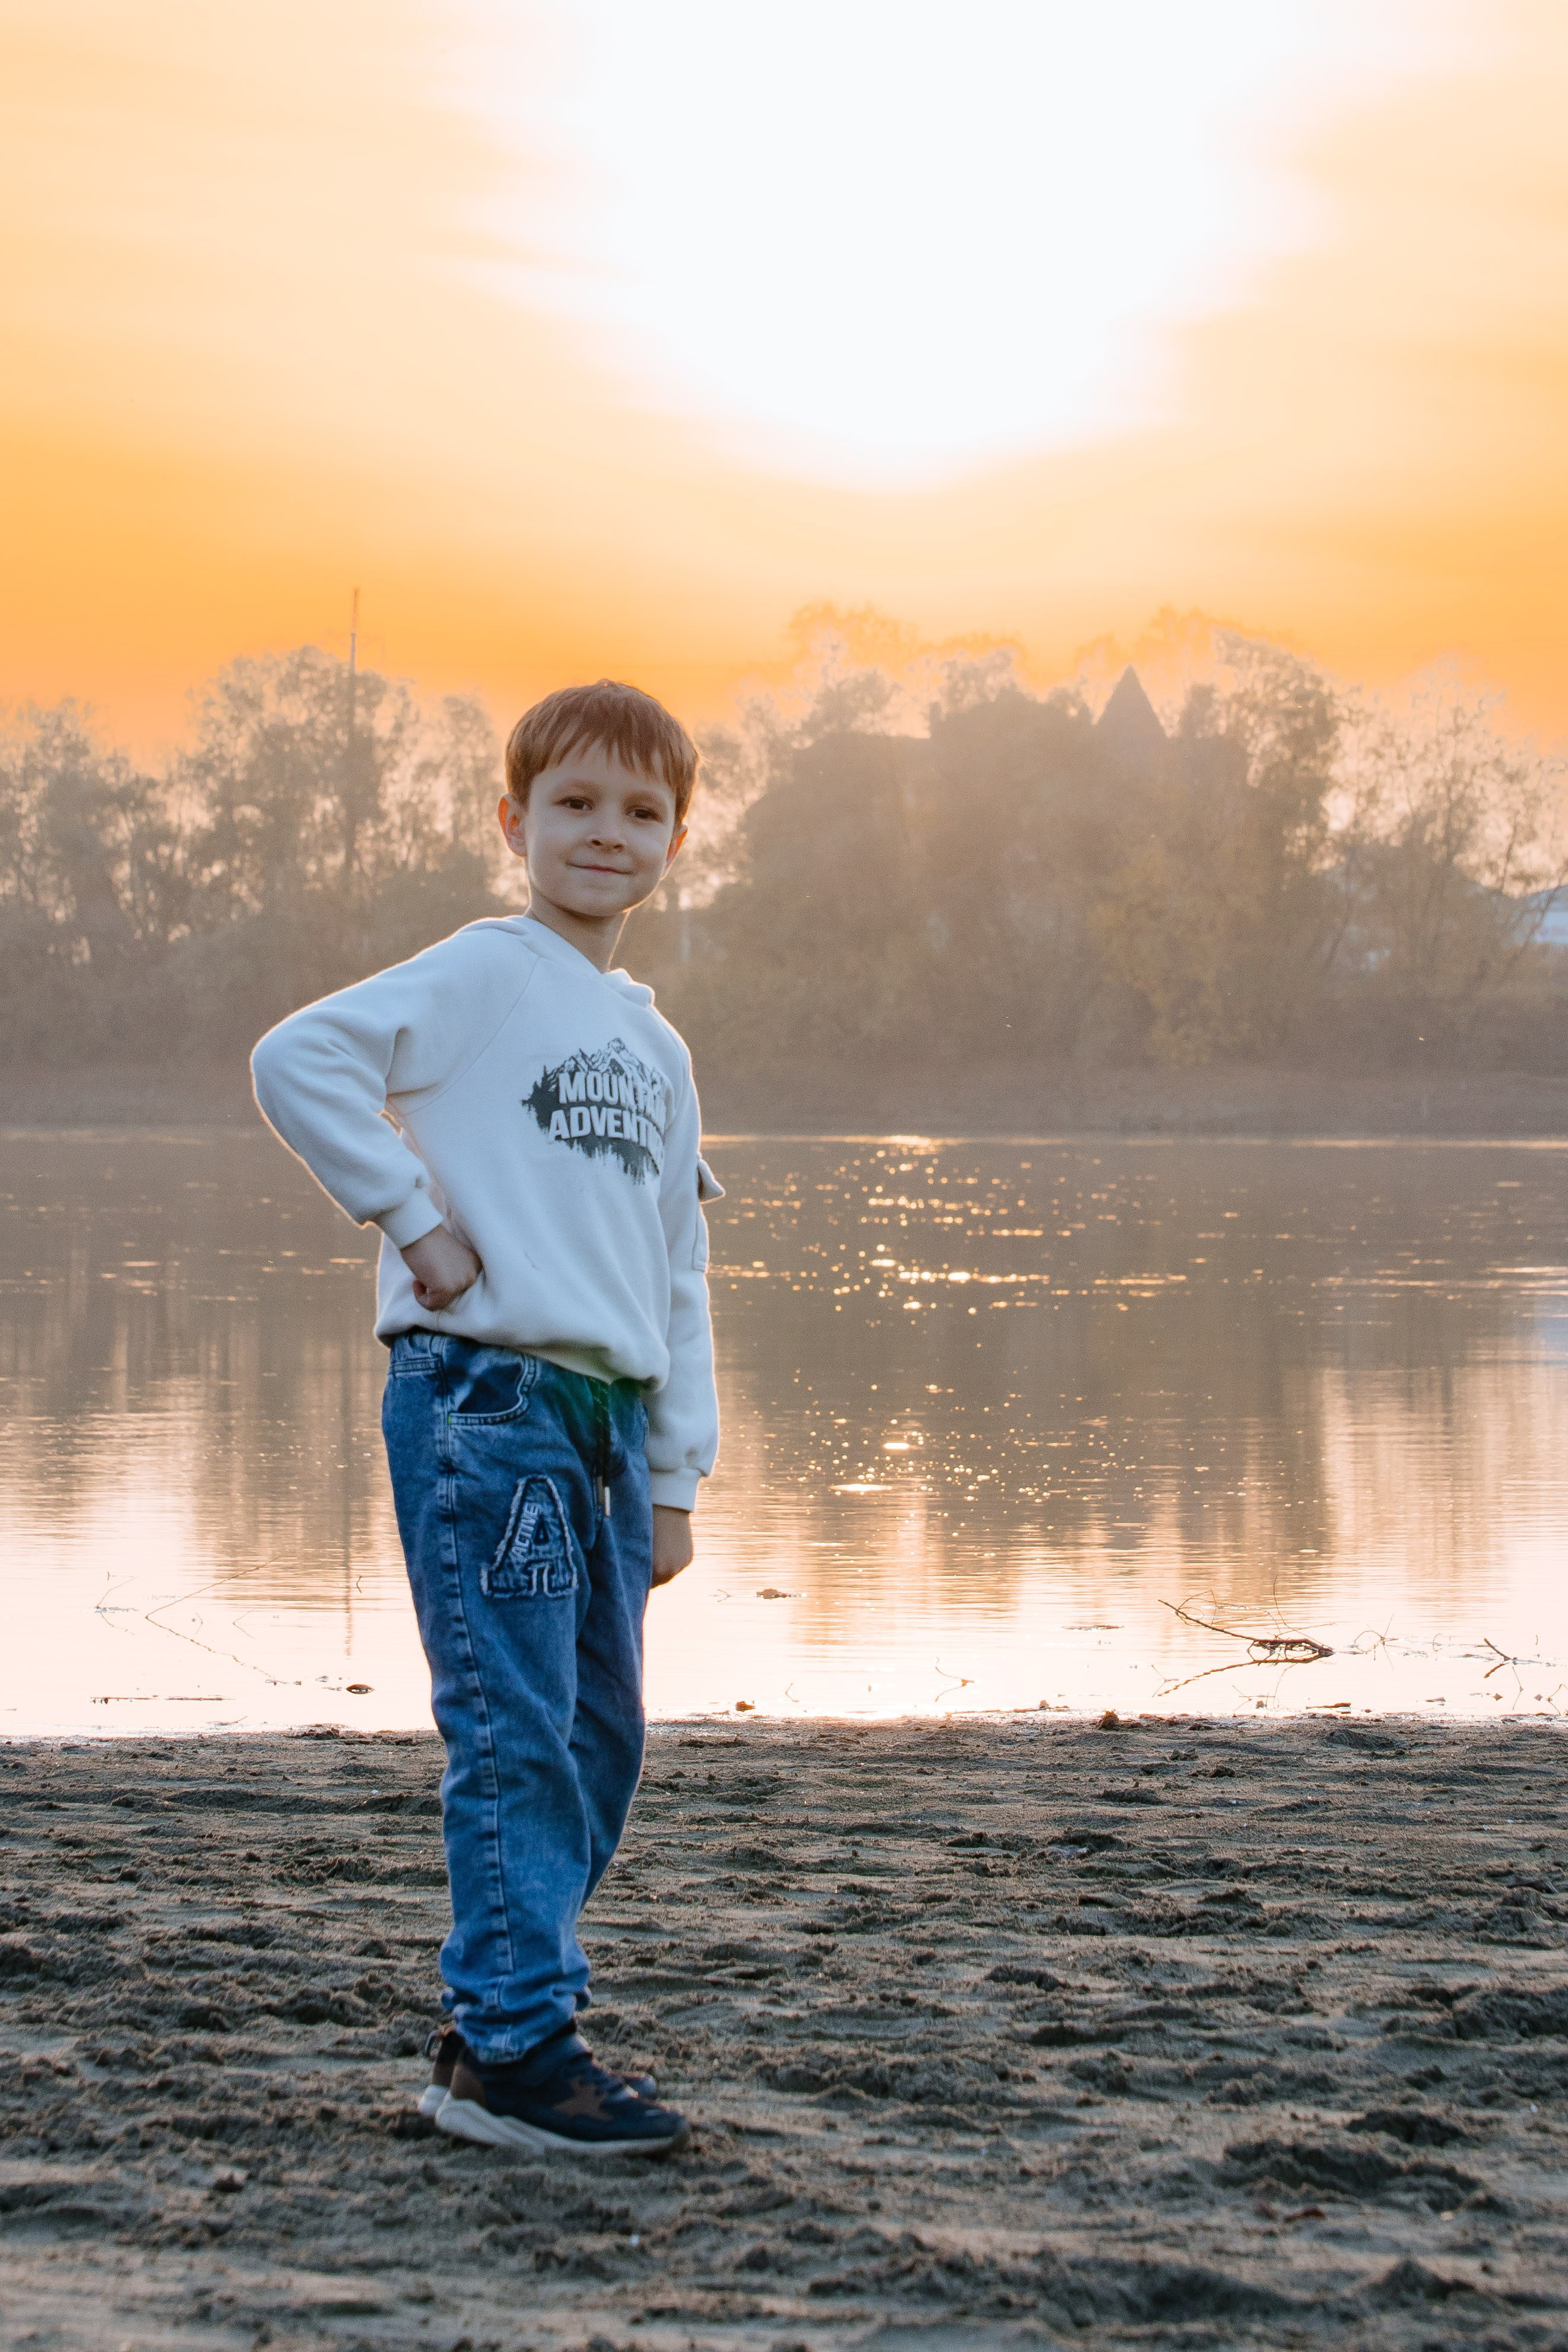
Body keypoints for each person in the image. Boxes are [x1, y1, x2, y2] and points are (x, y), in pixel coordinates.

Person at [251, 679, 719, 2157]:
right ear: (513, 823)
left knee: (600, 1735)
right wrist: (412, 1220)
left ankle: (489, 2028)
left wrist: (674, 1472)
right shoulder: (486, 971)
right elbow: (297, 1060)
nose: (606, 833)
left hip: (600, 1424)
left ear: (675, 843)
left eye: (640, 812)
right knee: (514, 1728)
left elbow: (676, 1267)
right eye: (573, 805)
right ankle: (517, 2048)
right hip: (487, 1402)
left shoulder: (655, 1045)